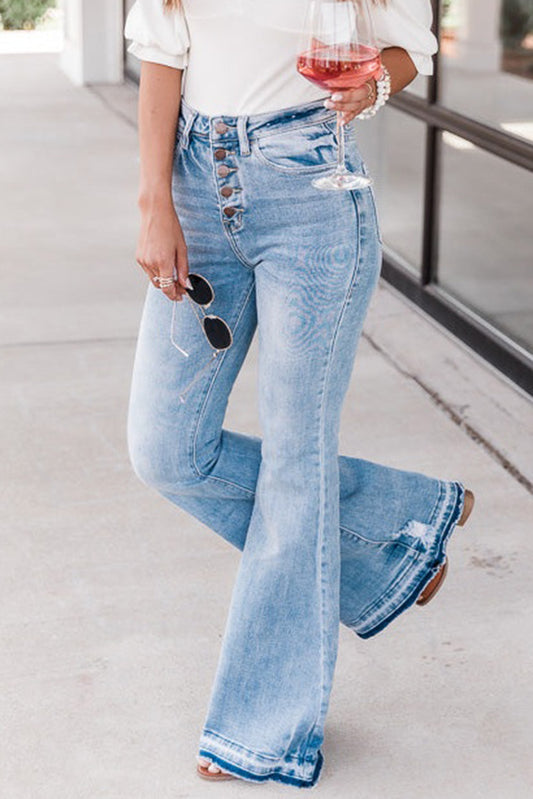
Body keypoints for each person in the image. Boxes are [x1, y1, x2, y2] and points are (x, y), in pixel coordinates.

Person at [124, 0, 475, 788]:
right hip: (195, 184)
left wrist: (370, 88)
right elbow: (161, 54)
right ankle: (402, 521)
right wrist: (154, 201)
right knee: (166, 450)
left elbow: (408, 51)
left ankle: (264, 728)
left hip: (312, 194)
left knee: (294, 462)